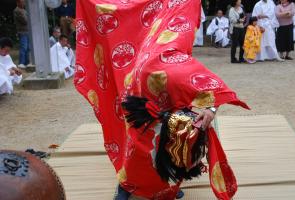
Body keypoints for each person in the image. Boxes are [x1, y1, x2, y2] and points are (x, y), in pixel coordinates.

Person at [75, 0, 250, 199]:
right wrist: (210, 108)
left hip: (150, 76)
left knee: (160, 138)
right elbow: (204, 84)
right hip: (147, 81)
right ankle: (129, 183)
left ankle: (162, 178)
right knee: (144, 139)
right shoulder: (171, 52)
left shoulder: (171, 30)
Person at [13, 0, 30, 69]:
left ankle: (26, 62)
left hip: (27, 31)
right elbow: (25, 20)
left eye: (24, 2)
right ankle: (21, 63)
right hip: (22, 31)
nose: (24, 3)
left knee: (28, 48)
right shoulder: (17, 10)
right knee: (23, 47)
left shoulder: (24, 10)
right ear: (18, 2)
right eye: (22, 2)